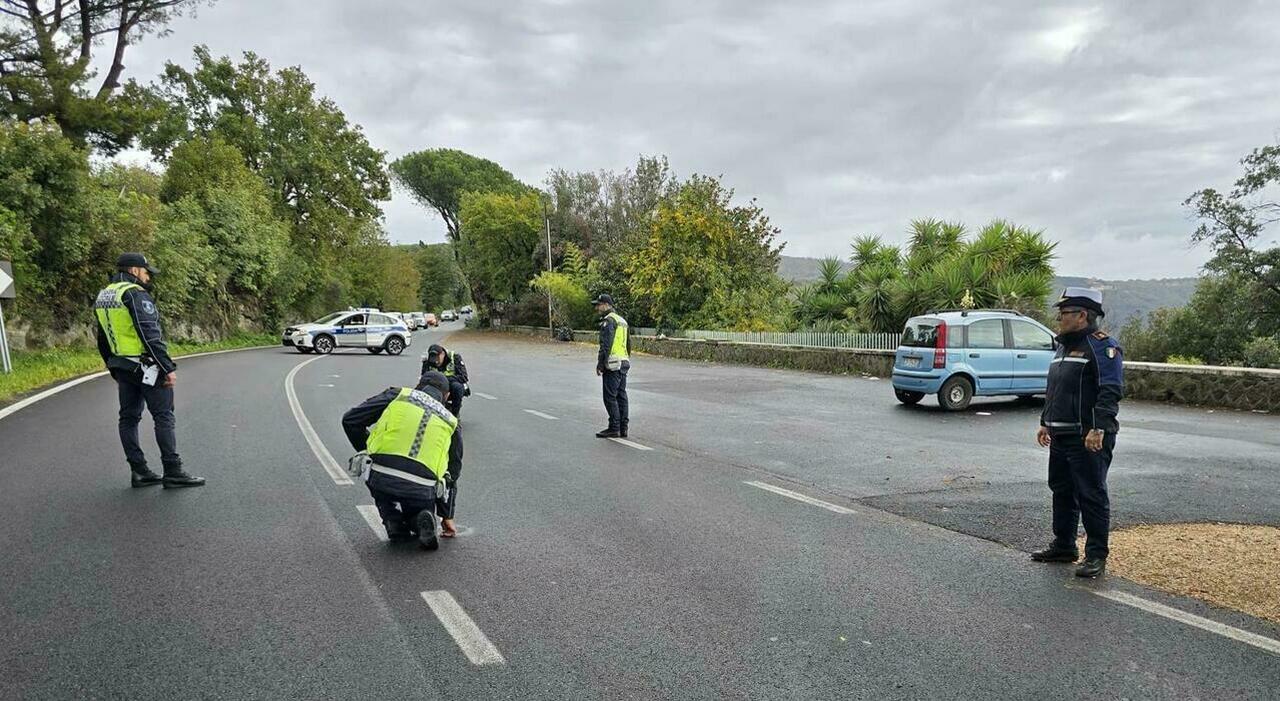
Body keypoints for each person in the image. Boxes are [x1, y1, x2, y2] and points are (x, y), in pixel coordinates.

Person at [1031, 287, 1124, 578]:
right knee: (1061, 489)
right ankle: (1064, 545)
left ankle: (1096, 555)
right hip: (1060, 434)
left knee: (1091, 494)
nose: (1059, 318)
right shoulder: (1062, 346)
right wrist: (1046, 420)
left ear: (1082, 315)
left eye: (1065, 313)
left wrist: (1098, 428)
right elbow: (1056, 388)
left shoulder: (1102, 347)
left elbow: (1110, 390)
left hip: (1088, 436)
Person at [93, 252, 204, 488]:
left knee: (128, 418)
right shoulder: (135, 294)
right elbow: (148, 333)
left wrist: (111, 366)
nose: (148, 278)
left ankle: (139, 471)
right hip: (146, 366)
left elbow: (102, 337)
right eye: (146, 272)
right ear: (134, 271)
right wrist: (167, 368)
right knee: (164, 416)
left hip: (122, 366)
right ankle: (173, 471)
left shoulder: (105, 295)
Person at [342, 371, 464, 549]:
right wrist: (447, 516)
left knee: (383, 489)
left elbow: (350, 420)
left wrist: (368, 451)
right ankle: (419, 519)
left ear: (419, 385)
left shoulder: (398, 395)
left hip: (382, 474)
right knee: (420, 507)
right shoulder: (451, 422)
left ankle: (393, 521)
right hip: (422, 485)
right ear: (446, 396)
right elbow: (453, 471)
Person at [591, 294, 630, 438]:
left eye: (599, 305)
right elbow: (628, 344)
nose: (597, 308)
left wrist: (601, 364)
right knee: (621, 395)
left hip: (613, 363)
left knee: (610, 397)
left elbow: (605, 345)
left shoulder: (609, 321)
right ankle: (623, 428)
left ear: (607, 305)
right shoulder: (622, 321)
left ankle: (614, 427)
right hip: (624, 362)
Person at [420, 343, 469, 417]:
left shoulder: (454, 357)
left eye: (437, 359)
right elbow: (424, 379)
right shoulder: (428, 362)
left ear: (442, 354)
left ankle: (455, 414)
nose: (436, 362)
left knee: (458, 387)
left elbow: (464, 377)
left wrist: (444, 379)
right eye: (433, 359)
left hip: (451, 386)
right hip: (436, 387)